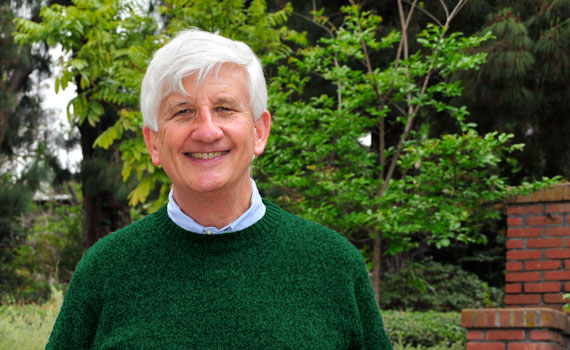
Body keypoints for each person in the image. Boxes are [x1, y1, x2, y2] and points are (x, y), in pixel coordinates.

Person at [46, 29, 393, 349]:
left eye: (224, 109)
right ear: (153, 143)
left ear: (260, 131)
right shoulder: (104, 271)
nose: (207, 130)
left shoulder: (333, 265)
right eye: (183, 112)